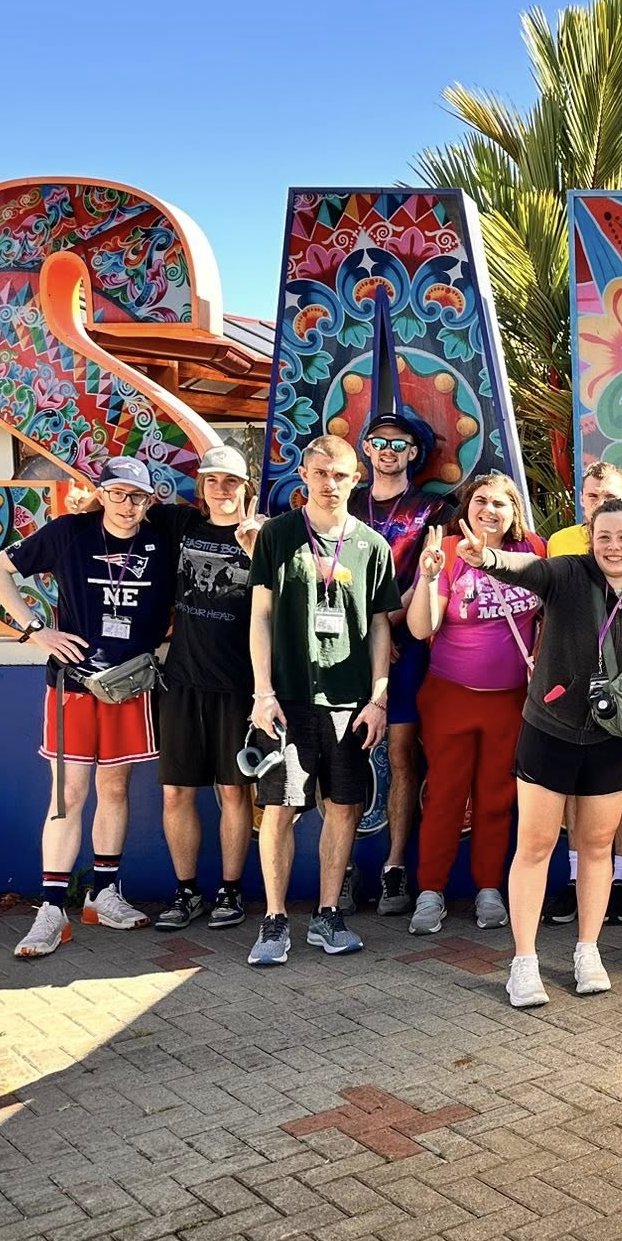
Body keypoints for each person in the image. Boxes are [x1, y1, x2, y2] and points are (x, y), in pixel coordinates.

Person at [0, 457, 178, 958]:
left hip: (129, 685)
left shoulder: (162, 540)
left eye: (137, 496)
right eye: (117, 493)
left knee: (115, 785)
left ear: (150, 500)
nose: (127, 504)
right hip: (73, 683)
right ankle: (51, 909)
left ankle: (103, 895)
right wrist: (34, 631)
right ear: (102, 493)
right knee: (68, 792)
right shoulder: (70, 531)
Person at [471, 497, 622, 1005]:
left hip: (609, 735)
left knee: (596, 847)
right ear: (590, 540)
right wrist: (487, 558)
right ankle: (524, 962)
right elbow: (525, 568)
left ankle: (587, 951)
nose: (613, 547)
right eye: (604, 537)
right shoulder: (568, 574)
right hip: (549, 728)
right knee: (535, 846)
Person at [247, 437, 399, 965]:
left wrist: (378, 699)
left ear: (355, 478)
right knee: (279, 808)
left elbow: (381, 627)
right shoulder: (278, 535)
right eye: (319, 473)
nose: (329, 483)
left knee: (344, 808)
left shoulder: (373, 546)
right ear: (304, 475)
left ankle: (327, 915)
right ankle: (273, 921)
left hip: (349, 703)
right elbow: (260, 617)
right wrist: (262, 692)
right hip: (286, 699)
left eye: (339, 474)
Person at [403, 473, 544, 935]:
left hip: (510, 702)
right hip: (450, 698)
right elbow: (423, 630)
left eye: (501, 503)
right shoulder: (444, 552)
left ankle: (488, 887)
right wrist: (426, 579)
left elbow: (552, 613)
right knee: (445, 794)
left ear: (514, 512)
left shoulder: (534, 552)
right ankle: (430, 891)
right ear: (466, 509)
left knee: (497, 798)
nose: (490, 510)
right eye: (481, 501)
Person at [543, 460, 622, 922]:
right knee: (578, 792)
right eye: (594, 496)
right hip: (574, 686)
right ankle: (579, 878)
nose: (603, 503)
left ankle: (619, 879)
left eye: (612, 496)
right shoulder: (559, 543)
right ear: (582, 498)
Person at [151, 445, 263, 932]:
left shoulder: (266, 536)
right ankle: (186, 890)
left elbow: (288, 598)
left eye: (232, 482)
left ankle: (231, 891)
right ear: (201, 487)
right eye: (213, 481)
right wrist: (85, 504)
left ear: (246, 489)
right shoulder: (180, 526)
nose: (222, 490)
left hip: (239, 685)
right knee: (176, 793)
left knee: (235, 792)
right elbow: (120, 508)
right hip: (182, 682)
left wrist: (257, 548)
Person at [351, 410, 448, 919]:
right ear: (365, 450)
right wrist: (370, 629)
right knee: (338, 751)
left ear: (413, 453)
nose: (387, 450)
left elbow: (433, 570)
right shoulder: (344, 502)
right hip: (345, 644)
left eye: (398, 443)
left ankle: (394, 867)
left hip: (408, 643)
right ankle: (342, 865)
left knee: (403, 751)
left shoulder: (433, 508)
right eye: (378, 441)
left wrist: (391, 621)